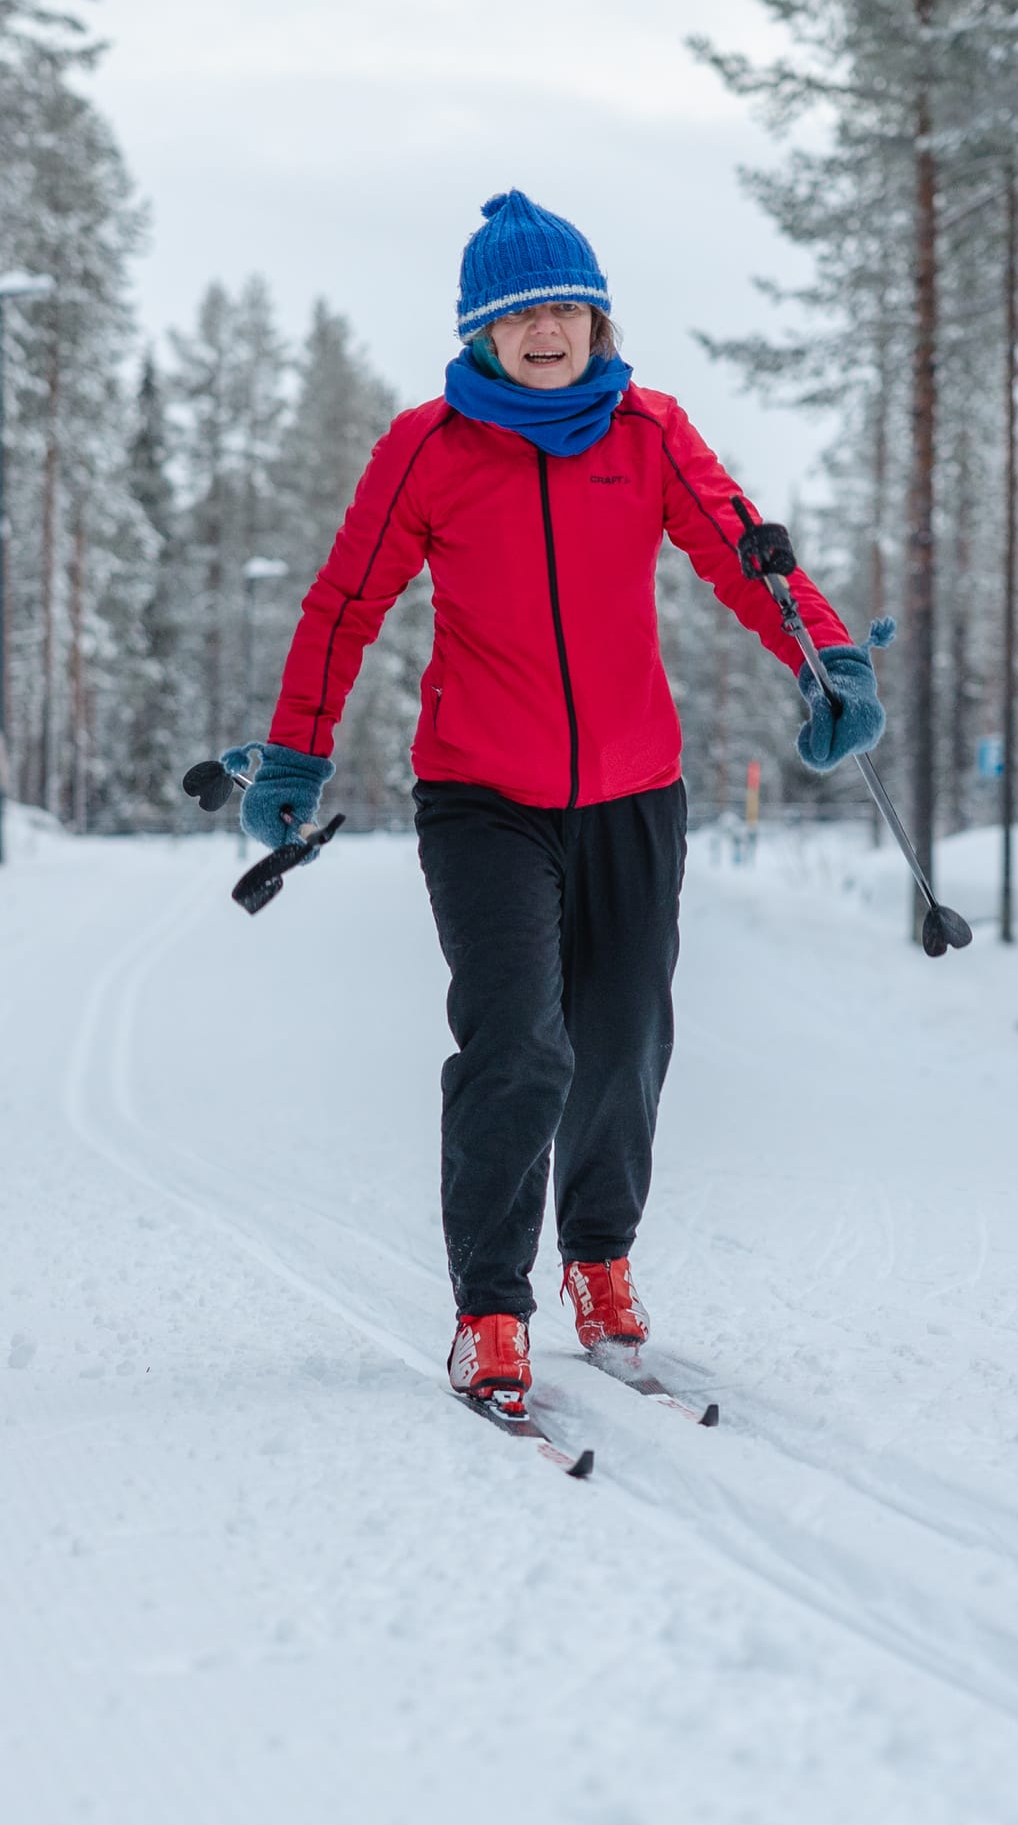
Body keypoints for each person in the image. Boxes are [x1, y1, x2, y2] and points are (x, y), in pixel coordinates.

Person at [229, 189, 888, 1414]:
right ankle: (490, 1306)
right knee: (520, 1044)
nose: (545, 330)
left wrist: (826, 660)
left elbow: (745, 551)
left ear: (597, 317)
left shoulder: (649, 431)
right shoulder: (427, 446)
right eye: (517, 313)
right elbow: (345, 603)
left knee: (626, 1037)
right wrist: (295, 754)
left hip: (636, 791)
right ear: (482, 333)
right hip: (482, 796)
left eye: (564, 308)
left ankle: (599, 1259)